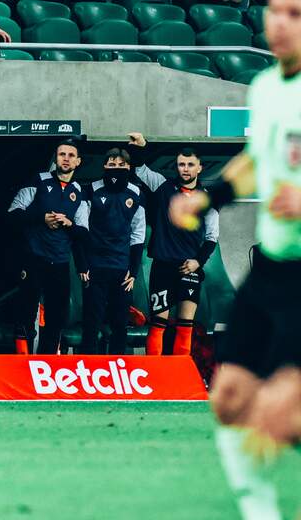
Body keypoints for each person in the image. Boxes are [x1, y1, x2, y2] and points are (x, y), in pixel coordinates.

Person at [170, 0, 301, 516]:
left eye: (295, 13)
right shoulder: (266, 87)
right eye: (275, 11)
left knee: (283, 414)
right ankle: (260, 510)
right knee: (229, 399)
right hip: (272, 269)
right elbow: (255, 160)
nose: (280, 23)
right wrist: (209, 198)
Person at [128, 134, 219, 357]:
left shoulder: (207, 200)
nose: (185, 169)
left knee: (185, 325)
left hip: (189, 268)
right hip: (163, 266)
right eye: (181, 164)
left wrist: (198, 262)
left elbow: (211, 237)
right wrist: (141, 148)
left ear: (200, 168)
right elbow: (140, 170)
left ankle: (179, 373)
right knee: (158, 323)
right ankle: (154, 371)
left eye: (190, 165)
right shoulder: (163, 186)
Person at [8, 139, 88, 355]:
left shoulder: (79, 191)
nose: (66, 159)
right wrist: (41, 218)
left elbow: (83, 232)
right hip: (34, 258)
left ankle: (48, 362)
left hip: (60, 262)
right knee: (25, 314)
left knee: (56, 317)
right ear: (56, 158)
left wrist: (69, 224)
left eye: (71, 155)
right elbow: (13, 214)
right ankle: (22, 362)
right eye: (62, 154)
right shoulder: (39, 180)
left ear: (78, 162)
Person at [76, 148, 145, 355]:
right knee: (91, 322)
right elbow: (81, 228)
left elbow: (138, 234)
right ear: (104, 166)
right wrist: (83, 264)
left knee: (120, 323)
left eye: (121, 165)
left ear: (129, 167)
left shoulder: (136, 193)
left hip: (122, 270)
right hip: (95, 267)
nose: (116, 169)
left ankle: (117, 367)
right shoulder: (90, 190)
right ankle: (88, 368)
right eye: (112, 165)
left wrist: (133, 271)